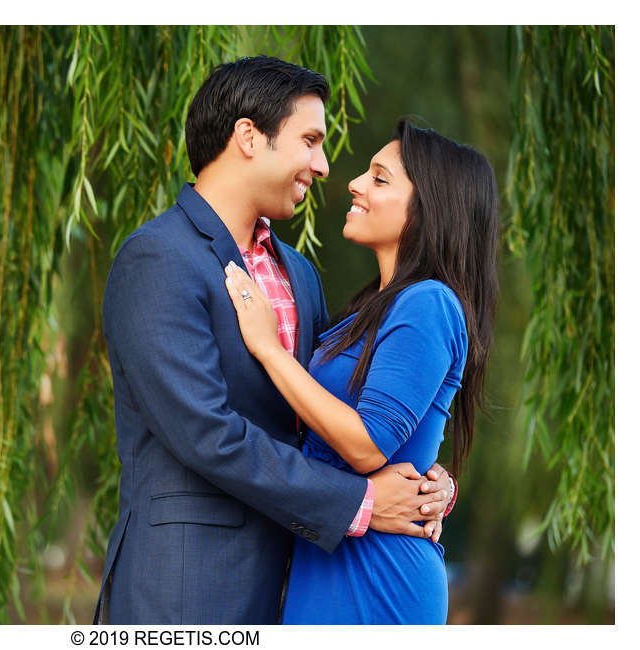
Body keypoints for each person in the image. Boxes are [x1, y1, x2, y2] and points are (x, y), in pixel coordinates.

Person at [94, 57, 456, 625]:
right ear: (247, 137)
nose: (324, 164)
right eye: (310, 140)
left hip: (298, 585)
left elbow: (338, 414)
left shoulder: (300, 275)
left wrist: (427, 479)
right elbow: (207, 434)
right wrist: (363, 503)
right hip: (189, 588)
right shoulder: (158, 258)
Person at [223, 119, 499, 623]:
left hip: (379, 576)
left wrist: (269, 348)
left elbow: (368, 443)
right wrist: (438, 484)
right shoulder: (367, 310)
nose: (353, 182)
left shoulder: (429, 304)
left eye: (379, 178)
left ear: (426, 211)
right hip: (329, 559)